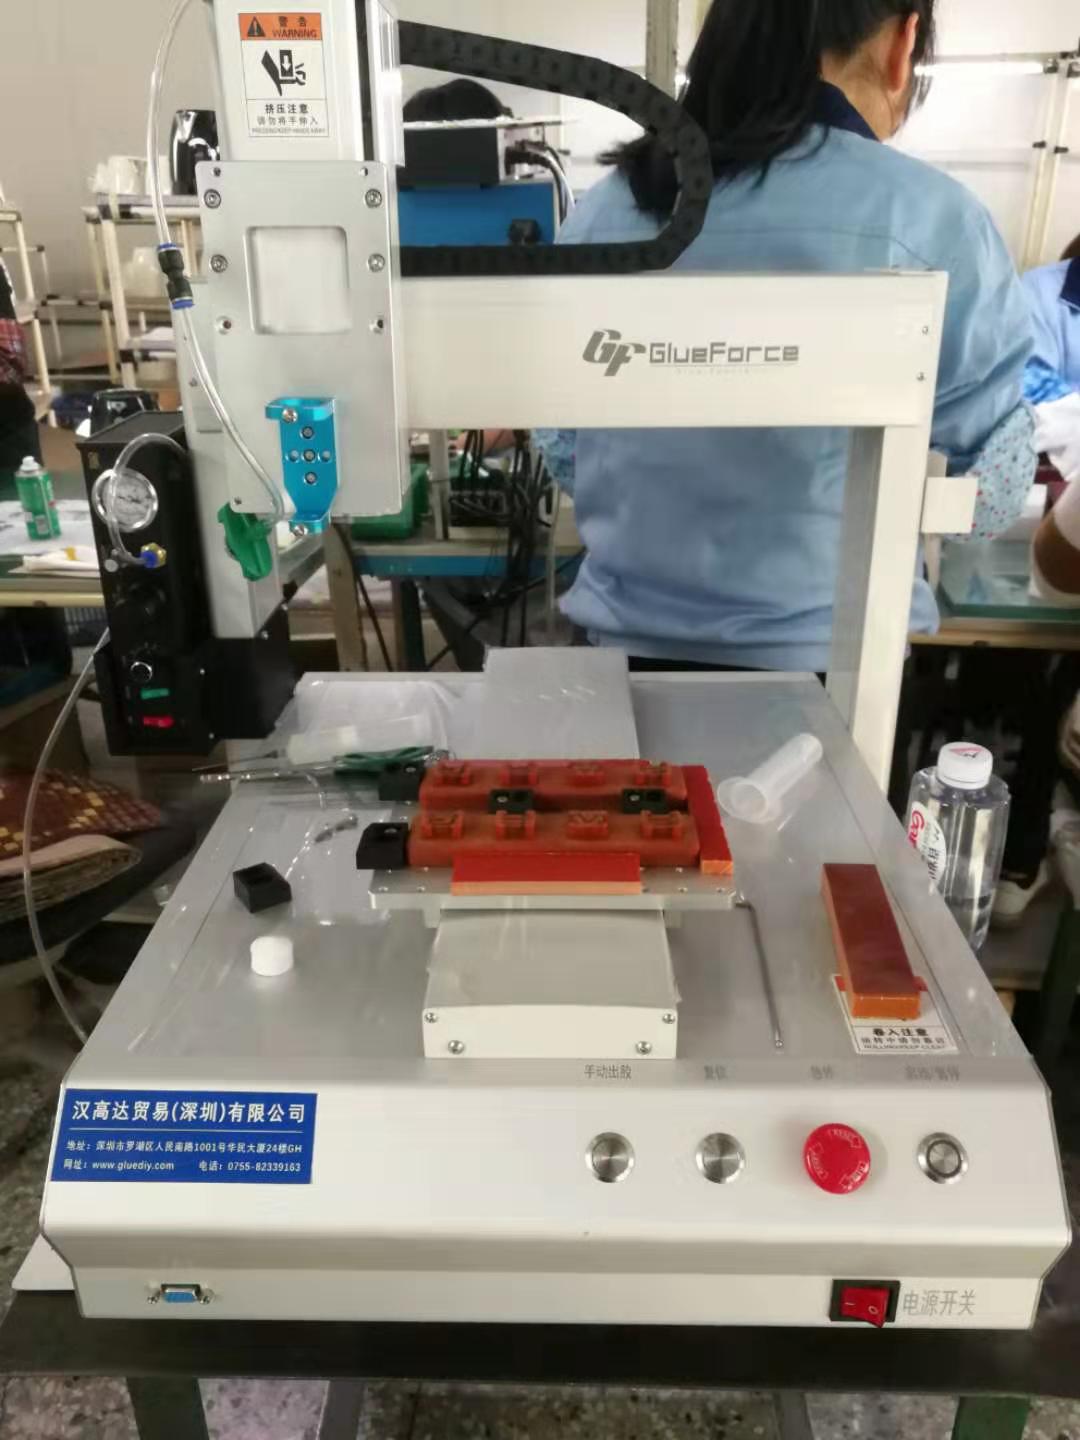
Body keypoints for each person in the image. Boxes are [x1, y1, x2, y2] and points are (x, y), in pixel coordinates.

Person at [537, 0, 1036, 671]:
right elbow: (990, 496)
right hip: (840, 673)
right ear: (902, 45)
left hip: (622, 658)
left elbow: (563, 448)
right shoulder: (933, 220)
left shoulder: (605, 210)